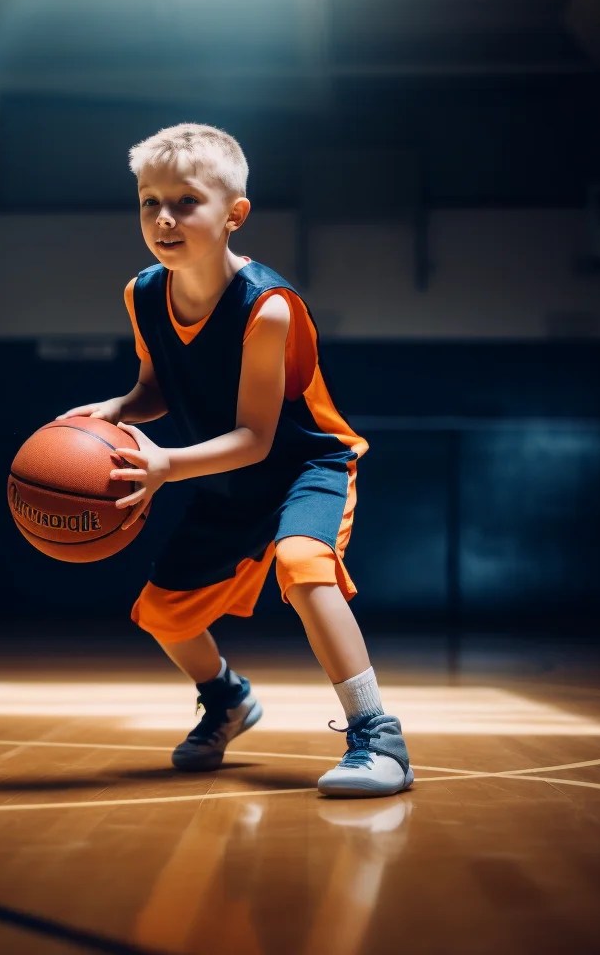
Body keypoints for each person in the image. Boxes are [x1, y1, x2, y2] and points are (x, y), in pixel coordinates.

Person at [60, 123, 413, 798]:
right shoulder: (142, 295)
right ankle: (226, 699)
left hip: (306, 466)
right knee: (164, 613)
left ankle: (379, 736)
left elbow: (256, 436)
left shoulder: (268, 308)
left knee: (304, 569)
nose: (164, 218)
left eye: (186, 201)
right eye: (149, 202)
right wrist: (113, 411)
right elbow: (154, 387)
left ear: (233, 215)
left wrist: (163, 467)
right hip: (225, 483)